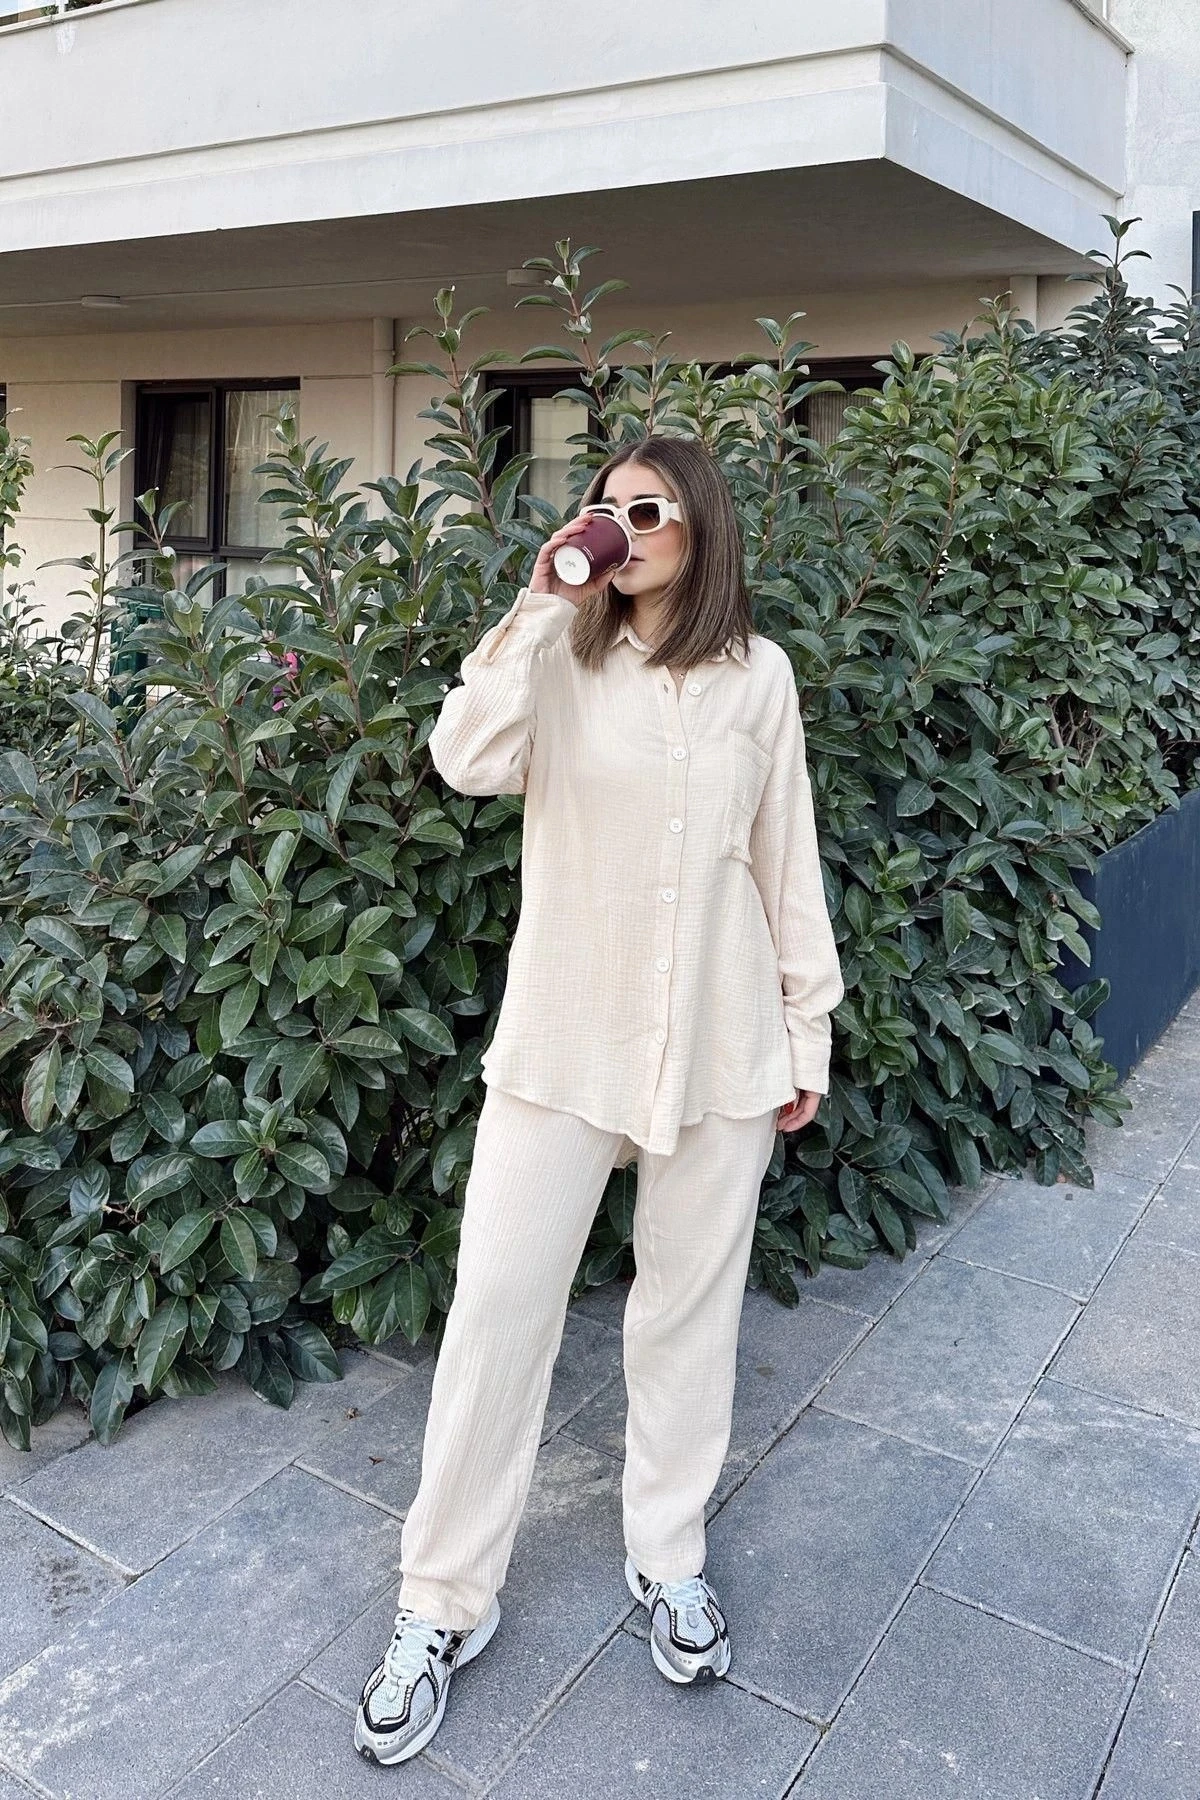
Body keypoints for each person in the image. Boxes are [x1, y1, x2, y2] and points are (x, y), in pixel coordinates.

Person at [354, 435, 844, 1767]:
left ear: (701, 528)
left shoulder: (761, 679)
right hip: (566, 1042)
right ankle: (439, 1601)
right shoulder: (561, 661)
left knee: (689, 1312)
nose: (625, 526)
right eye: (609, 505)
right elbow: (464, 756)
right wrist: (538, 603)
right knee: (499, 1311)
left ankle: (667, 1554)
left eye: (651, 508)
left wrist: (805, 1027)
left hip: (722, 1043)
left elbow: (783, 858)